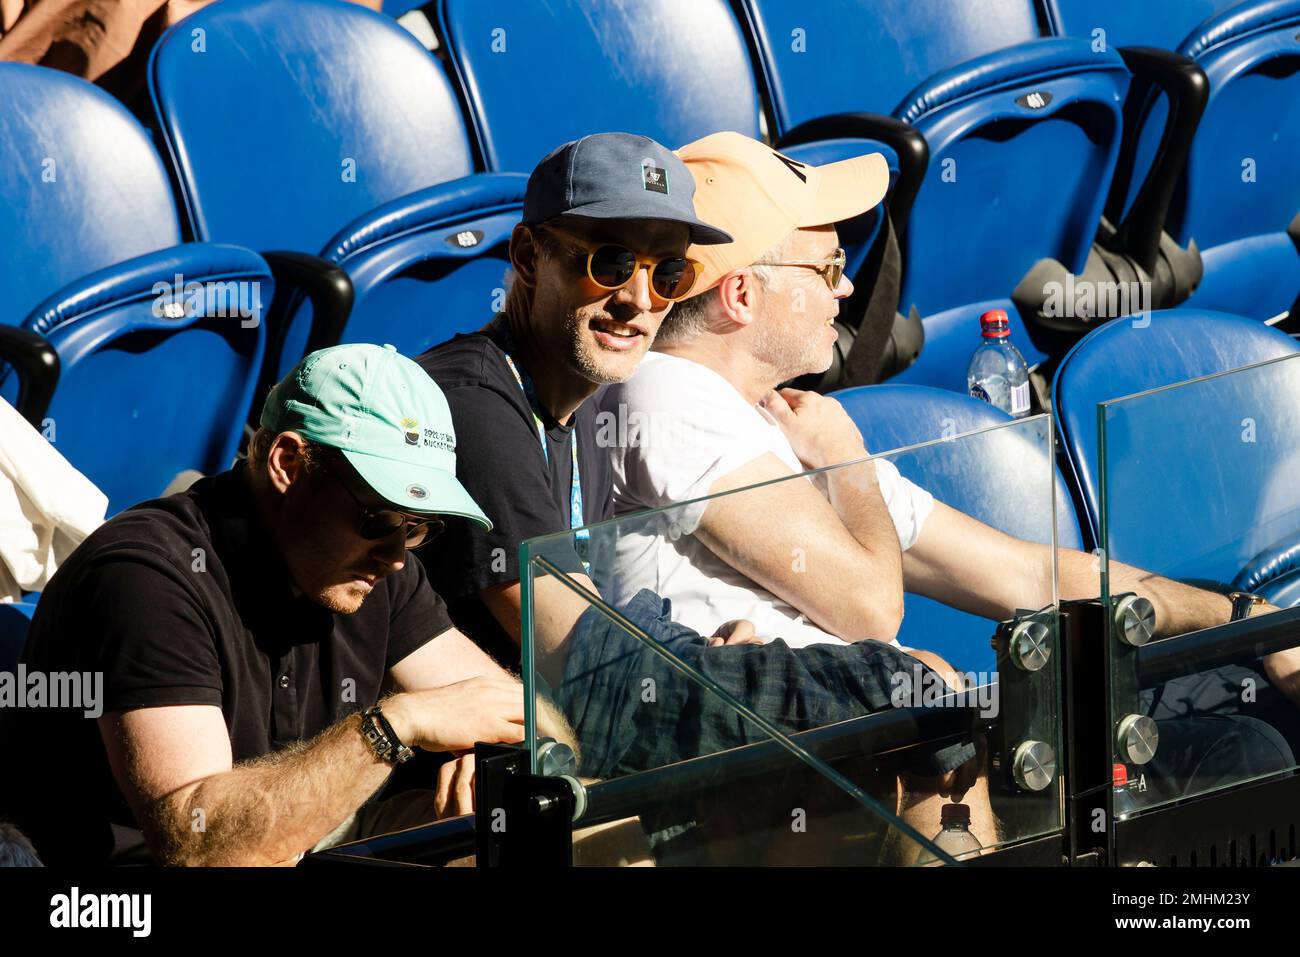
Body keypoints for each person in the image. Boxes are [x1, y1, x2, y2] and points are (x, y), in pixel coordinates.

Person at [600, 131, 1300, 794]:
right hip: (831, 791)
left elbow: (1035, 575)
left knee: (1264, 712)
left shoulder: (788, 424)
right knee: (1244, 755)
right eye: (830, 268)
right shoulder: (662, 390)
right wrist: (847, 466)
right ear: (743, 294)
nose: (847, 292)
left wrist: (1247, 617)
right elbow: (870, 609)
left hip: (915, 744)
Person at [416, 132, 997, 861]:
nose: (637, 299)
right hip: (448, 810)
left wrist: (709, 655)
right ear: (530, 258)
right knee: (895, 729)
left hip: (539, 763)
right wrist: (875, 684)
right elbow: (592, 670)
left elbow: (609, 649)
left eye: (668, 273)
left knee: (854, 773)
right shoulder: (477, 405)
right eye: (612, 262)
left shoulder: (568, 407)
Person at [0, 342, 570, 866]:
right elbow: (199, 847)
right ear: (288, 464)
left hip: (317, 845)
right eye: (377, 518)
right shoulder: (145, 577)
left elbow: (542, 726)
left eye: (417, 525)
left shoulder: (374, 565)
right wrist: (395, 727)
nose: (398, 553)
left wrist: (509, 762)